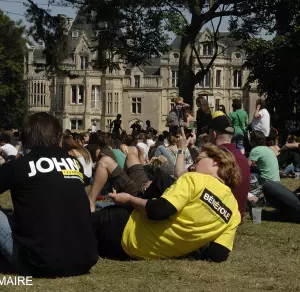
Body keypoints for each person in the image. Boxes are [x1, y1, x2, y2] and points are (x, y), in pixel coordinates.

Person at [91, 144, 241, 262]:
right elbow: (218, 254)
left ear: (216, 162)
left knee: (78, 224)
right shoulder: (234, 211)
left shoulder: (196, 179)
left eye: (197, 161)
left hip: (126, 228)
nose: (192, 167)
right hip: (133, 253)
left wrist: (129, 199)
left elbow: (159, 210)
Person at [0, 112, 98, 276]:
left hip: (38, 264)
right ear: (58, 136)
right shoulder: (74, 164)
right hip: (83, 260)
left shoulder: (19, 166)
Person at [208, 115, 250, 222]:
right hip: (237, 216)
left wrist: (181, 150)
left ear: (213, 134)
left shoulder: (215, 157)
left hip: (222, 217)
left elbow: (180, 175)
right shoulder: (242, 158)